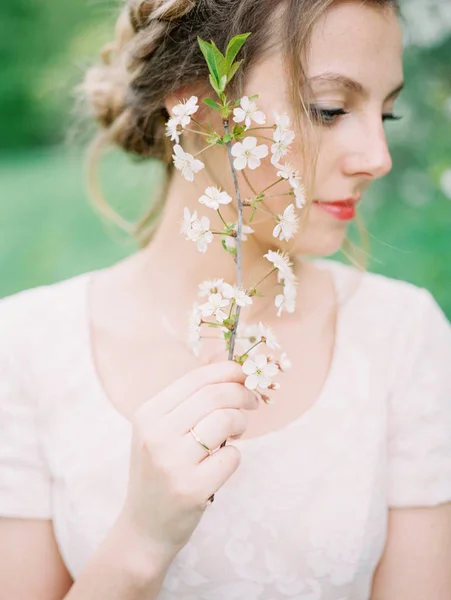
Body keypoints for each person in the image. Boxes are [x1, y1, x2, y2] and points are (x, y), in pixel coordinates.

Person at [1, 0, 451, 598]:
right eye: (330, 109)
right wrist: (142, 541)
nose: (378, 158)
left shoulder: (401, 334)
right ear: (197, 107)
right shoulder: (26, 347)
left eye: (386, 114)